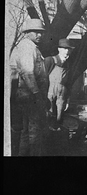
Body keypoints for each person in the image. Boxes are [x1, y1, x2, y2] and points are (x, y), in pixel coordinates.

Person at [10, 19, 49, 156]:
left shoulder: (31, 46)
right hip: (30, 96)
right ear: (27, 33)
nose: (39, 35)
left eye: (41, 33)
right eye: (36, 32)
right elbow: (27, 72)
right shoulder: (28, 47)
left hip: (29, 95)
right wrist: (37, 94)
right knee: (35, 131)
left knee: (27, 131)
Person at [46, 38, 74, 131]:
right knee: (49, 118)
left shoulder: (68, 64)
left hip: (62, 96)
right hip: (49, 95)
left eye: (68, 49)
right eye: (64, 49)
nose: (66, 52)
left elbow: (68, 84)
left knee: (59, 120)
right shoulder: (50, 60)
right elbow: (42, 79)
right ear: (59, 49)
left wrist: (68, 99)